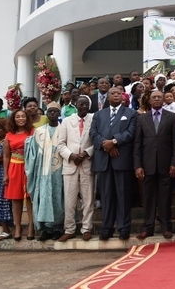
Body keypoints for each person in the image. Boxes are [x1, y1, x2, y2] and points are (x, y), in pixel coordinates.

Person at [90, 87, 137, 241]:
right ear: (107, 97)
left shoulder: (131, 114)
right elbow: (93, 134)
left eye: (118, 93)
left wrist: (114, 141)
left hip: (122, 160)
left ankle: (124, 228)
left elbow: (131, 132)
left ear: (123, 96)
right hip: (104, 160)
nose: (116, 95)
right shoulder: (98, 115)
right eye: (112, 93)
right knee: (106, 196)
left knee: (123, 196)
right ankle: (107, 227)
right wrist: (106, 145)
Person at [134, 90, 175, 240]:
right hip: (147, 166)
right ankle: (148, 228)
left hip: (166, 165)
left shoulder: (172, 117)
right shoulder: (142, 119)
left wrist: (174, 163)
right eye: (154, 97)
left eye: (160, 97)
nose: (157, 99)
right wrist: (138, 166)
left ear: (163, 100)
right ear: (149, 100)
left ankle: (166, 227)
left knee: (165, 198)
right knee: (148, 198)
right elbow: (138, 144)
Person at [56, 95, 95, 242]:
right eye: (81, 104)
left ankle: (86, 229)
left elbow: (96, 141)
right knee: (69, 201)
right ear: (75, 105)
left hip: (87, 163)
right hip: (70, 165)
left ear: (89, 106)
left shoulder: (94, 119)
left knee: (88, 199)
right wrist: (71, 156)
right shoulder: (66, 121)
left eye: (86, 104)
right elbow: (60, 144)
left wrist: (86, 153)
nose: (83, 106)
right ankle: (69, 229)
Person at [25, 102, 65, 241]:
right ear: (46, 114)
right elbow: (33, 152)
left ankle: (58, 228)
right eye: (50, 112)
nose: (52, 114)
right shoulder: (39, 131)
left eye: (55, 111)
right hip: (43, 171)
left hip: (59, 172)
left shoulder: (64, 130)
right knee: (44, 197)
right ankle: (46, 229)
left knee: (58, 198)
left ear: (59, 114)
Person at [3, 109, 36, 241]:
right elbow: (6, 156)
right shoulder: (9, 135)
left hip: (29, 166)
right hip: (14, 166)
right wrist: (5, 174)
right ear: (14, 119)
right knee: (16, 199)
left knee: (29, 197)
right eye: (18, 117)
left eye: (23, 116)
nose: (21, 119)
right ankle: (17, 227)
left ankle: (31, 226)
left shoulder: (32, 131)